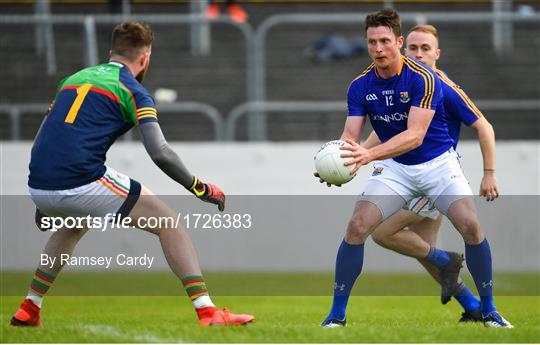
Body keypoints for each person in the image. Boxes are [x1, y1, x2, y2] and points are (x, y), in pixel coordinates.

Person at [10, 21, 254, 327]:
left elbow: (45, 138)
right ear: (145, 57)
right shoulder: (133, 91)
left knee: (73, 226)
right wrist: (198, 187)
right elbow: (160, 152)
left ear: (111, 51)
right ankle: (208, 312)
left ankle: (29, 308)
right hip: (79, 181)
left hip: (38, 182)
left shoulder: (73, 79)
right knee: (169, 224)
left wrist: (42, 198)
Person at [317, 9, 512, 328]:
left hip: (438, 166)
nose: (378, 48)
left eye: (384, 41)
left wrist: (489, 173)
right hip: (396, 169)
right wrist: (340, 161)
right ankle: (336, 317)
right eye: (371, 42)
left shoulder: (425, 78)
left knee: (470, 227)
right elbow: (351, 137)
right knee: (358, 227)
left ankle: (488, 309)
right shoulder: (359, 86)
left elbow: (414, 135)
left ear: (397, 41)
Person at [360, 24, 499, 323]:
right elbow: (388, 130)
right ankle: (473, 306)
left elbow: (484, 126)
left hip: (433, 176)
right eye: (413, 48)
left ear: (437, 53)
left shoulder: (442, 86)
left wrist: (489, 173)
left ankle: (478, 300)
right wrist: (358, 152)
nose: (419, 54)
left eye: (426, 48)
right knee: (424, 251)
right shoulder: (406, 84)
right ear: (403, 49)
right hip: (413, 174)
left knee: (383, 233)